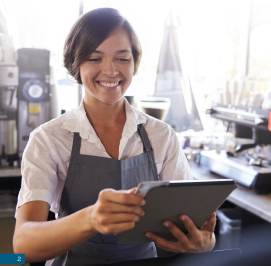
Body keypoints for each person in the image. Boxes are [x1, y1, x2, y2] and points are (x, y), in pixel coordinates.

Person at [13, 8, 216, 266]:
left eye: (122, 58)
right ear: (76, 64)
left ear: (134, 63)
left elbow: (191, 226)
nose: (110, 70)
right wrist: (90, 219)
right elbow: (23, 245)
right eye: (95, 58)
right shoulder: (49, 139)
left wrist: (204, 244)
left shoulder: (162, 136)